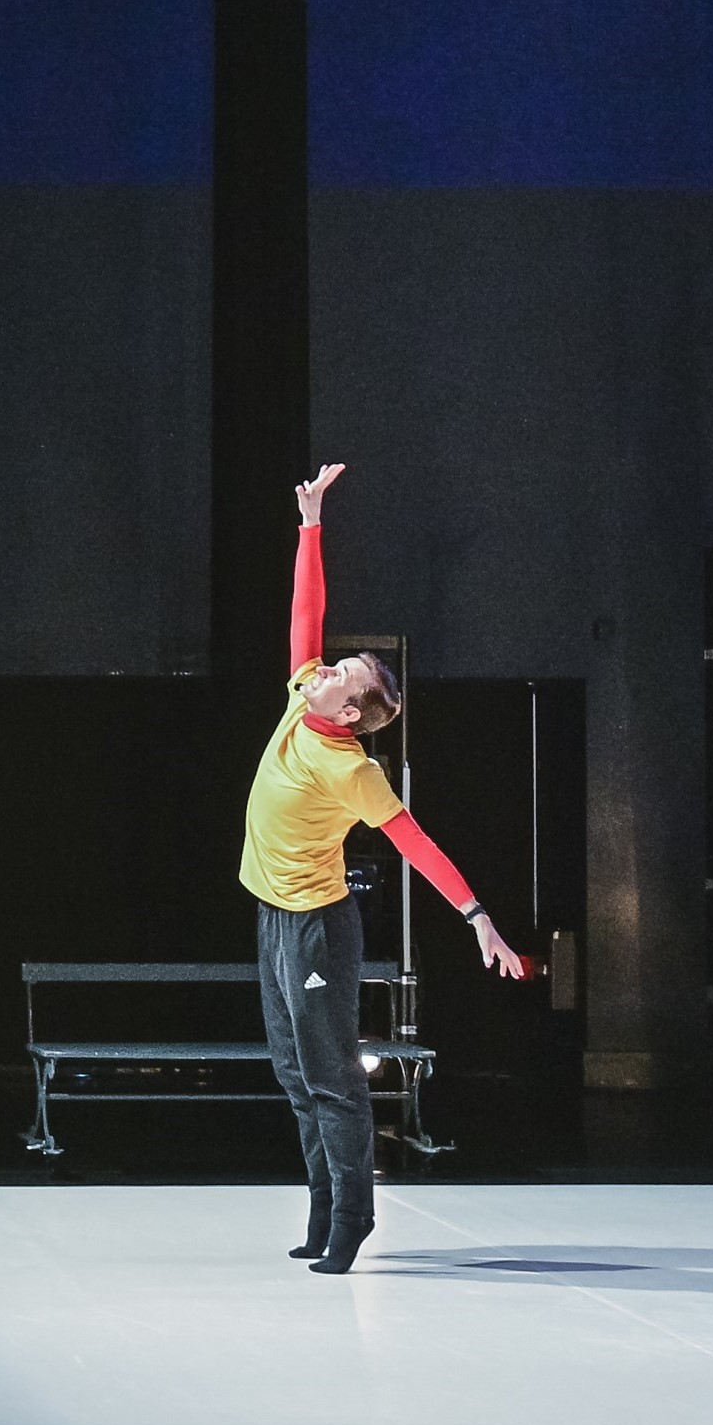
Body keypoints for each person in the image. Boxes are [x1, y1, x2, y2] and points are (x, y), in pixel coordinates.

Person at [237, 465, 527, 1276]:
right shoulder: (306, 692)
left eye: (342, 675)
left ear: (354, 712)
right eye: (332, 668)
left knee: (332, 1078)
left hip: (317, 929)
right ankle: (321, 1205)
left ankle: (354, 1219)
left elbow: (415, 844)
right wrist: (311, 524)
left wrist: (478, 917)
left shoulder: (356, 771)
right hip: (271, 912)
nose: (324, 669)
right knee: (295, 1076)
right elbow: (306, 619)